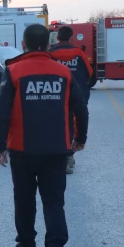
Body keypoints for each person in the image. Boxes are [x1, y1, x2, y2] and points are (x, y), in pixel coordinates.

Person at [0, 24, 89, 247]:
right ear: (48, 45)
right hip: (57, 149)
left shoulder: (13, 71)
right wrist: (80, 138)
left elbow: (1, 113)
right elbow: (81, 108)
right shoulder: (63, 73)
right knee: (54, 201)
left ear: (23, 45)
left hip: (22, 150)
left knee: (24, 200)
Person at [48, 26, 93, 174]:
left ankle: (62, 156)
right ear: (71, 38)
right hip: (78, 95)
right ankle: (69, 155)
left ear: (57, 38)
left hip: (56, 95)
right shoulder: (79, 53)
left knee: (58, 125)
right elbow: (89, 73)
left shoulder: (51, 54)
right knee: (74, 124)